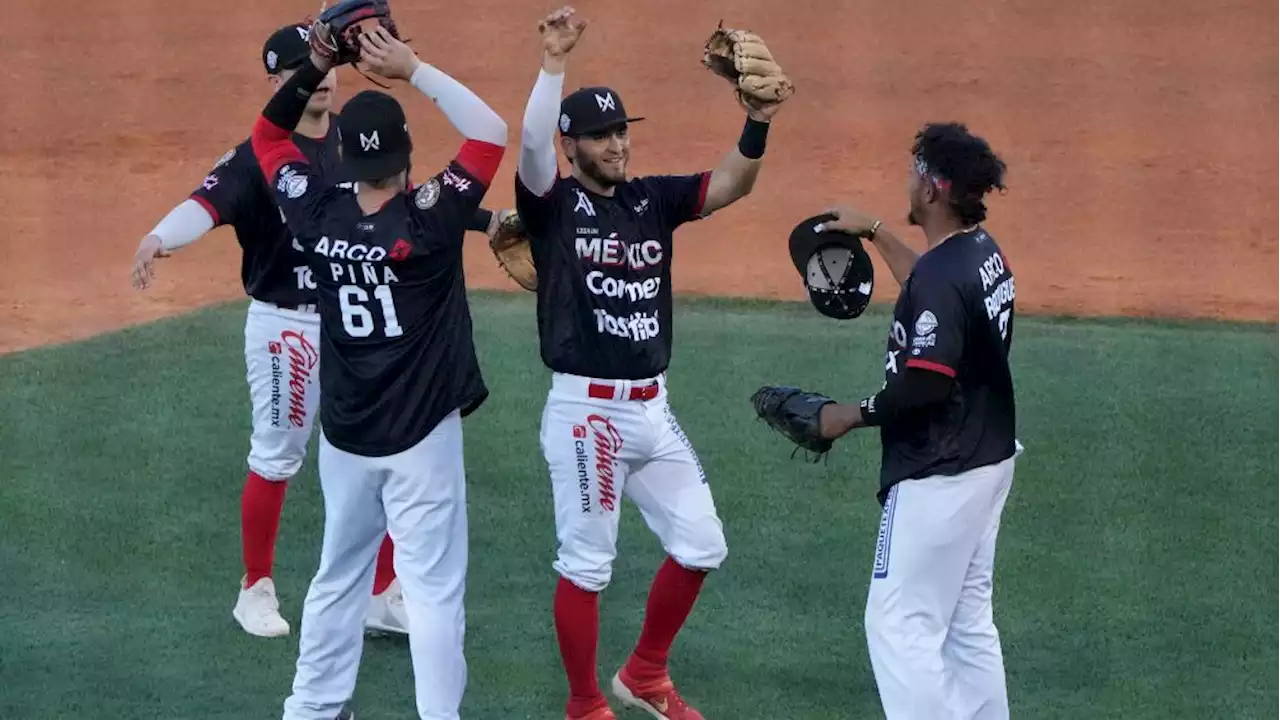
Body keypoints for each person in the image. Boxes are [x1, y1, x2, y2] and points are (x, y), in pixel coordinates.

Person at [129, 22, 507, 639]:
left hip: (345, 327)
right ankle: (255, 588)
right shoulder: (259, 158)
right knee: (278, 454)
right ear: (279, 82)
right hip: (284, 324)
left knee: (385, 442)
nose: (325, 77)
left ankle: (382, 594)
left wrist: (485, 219)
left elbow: (400, 214)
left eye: (327, 65)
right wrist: (158, 237)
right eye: (307, 68)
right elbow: (207, 203)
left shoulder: (353, 141)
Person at [514, 7, 786, 719]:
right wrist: (552, 63)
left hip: (651, 410)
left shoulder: (650, 200)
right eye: (600, 136)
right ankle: (583, 704)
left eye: (621, 132)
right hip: (587, 415)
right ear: (572, 144)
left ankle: (645, 675)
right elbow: (532, 148)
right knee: (587, 566)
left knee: (702, 545)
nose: (616, 145)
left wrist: (757, 120)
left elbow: (731, 184)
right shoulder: (553, 205)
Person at [248, 21, 506, 720]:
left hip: (347, 436)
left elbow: (268, 140)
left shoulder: (315, 213)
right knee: (432, 590)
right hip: (422, 439)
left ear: (341, 156)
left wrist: (314, 65)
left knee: (338, 575)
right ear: (405, 156)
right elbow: (489, 133)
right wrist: (412, 68)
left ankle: (311, 709)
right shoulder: (431, 218)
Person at [810, 121, 1018, 720]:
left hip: (939, 471)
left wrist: (849, 416)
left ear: (931, 188)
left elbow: (927, 380)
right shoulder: (981, 253)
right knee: (967, 620)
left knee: (897, 625)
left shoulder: (941, 276)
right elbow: (933, 293)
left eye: (913, 171)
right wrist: (875, 231)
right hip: (988, 458)